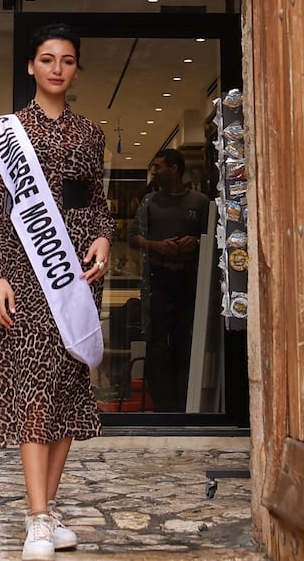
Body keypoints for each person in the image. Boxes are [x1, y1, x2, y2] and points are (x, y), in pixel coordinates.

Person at [0, 24, 113, 560]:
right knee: (34, 389)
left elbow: (97, 203)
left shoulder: (89, 135)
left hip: (75, 275)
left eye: (68, 60)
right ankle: (36, 518)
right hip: (25, 275)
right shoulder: (6, 133)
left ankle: (48, 511)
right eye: (47, 58)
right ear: (31, 66)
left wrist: (103, 237)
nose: (57, 67)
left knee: (65, 392)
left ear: (76, 69)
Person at [128, 149, 211, 412]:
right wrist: (156, 246)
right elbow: (133, 238)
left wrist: (196, 241)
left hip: (189, 279)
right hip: (158, 280)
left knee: (185, 340)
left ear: (174, 168)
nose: (154, 172)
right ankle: (161, 406)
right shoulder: (149, 202)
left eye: (158, 167)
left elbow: (215, 239)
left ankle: (186, 402)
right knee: (156, 342)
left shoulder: (199, 202)